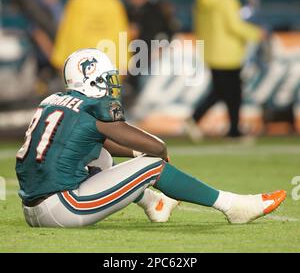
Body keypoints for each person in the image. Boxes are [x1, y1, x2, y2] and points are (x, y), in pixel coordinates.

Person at [15, 48, 286, 228]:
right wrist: (156, 150)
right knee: (153, 166)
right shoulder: (93, 106)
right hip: (63, 206)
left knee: (102, 156)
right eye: (107, 78)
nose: (112, 84)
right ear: (92, 78)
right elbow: (149, 143)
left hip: (33, 209)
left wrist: (134, 154)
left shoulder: (54, 100)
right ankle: (233, 206)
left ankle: (154, 203)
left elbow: (95, 141)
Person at [185, 0, 265, 142]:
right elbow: (234, 25)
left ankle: (196, 121)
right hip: (228, 52)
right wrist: (257, 33)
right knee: (232, 93)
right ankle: (234, 131)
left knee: (223, 91)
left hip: (212, 50)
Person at [51, 0, 129, 73]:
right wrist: (125, 62)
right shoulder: (114, 2)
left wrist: (59, 59)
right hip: (109, 61)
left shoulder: (77, 1)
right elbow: (122, 33)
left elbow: (67, 33)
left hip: (80, 63)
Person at [30, 0, 65, 72]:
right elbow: (38, 34)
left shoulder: (57, 5)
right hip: (44, 60)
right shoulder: (39, 6)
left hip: (57, 55)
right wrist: (54, 59)